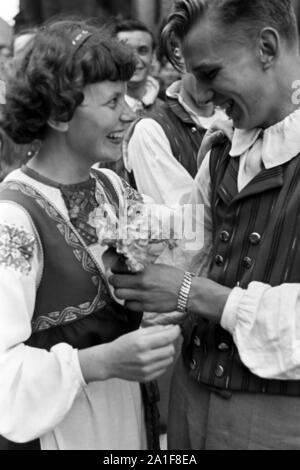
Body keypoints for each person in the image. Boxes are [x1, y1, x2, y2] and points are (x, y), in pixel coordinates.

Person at [110, 0, 300, 450]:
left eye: (211, 73)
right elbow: (192, 239)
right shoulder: (220, 153)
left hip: (281, 418)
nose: (205, 95)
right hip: (191, 400)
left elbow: (189, 283)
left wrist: (193, 293)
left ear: (267, 48)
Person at [0, 19, 180, 450]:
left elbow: (178, 232)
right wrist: (97, 362)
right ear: (59, 113)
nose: (129, 112)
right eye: (113, 100)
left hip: (126, 416)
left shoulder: (111, 187)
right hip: (63, 430)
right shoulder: (13, 220)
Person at [124, 70, 226, 205]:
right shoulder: (151, 129)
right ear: (179, 55)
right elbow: (178, 218)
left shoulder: (239, 122)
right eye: (202, 68)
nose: (209, 79)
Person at [115, 19, 163, 116]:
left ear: (153, 57)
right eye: (125, 51)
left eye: (142, 50)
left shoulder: (168, 111)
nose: (135, 59)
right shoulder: (103, 111)